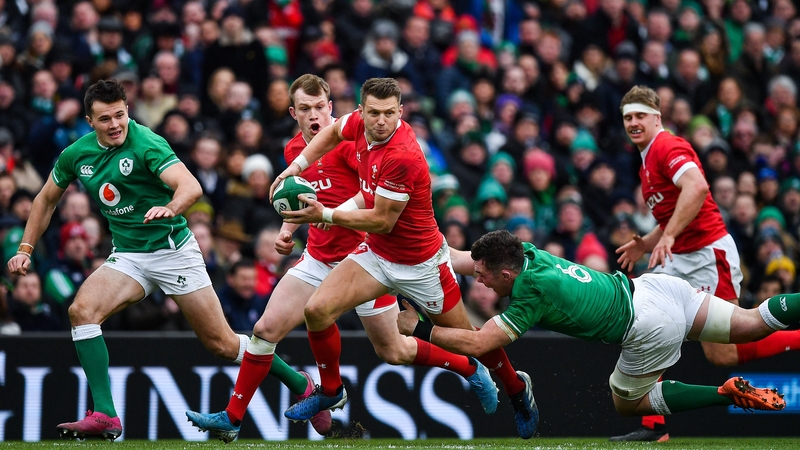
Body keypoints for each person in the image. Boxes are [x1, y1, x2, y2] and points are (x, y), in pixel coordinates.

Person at [185, 74, 498, 443]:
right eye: (305, 109)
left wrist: (330, 214)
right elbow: (298, 204)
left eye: (320, 107)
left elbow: (372, 199)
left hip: (364, 260)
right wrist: (287, 230)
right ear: (293, 113)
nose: (315, 115)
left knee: (393, 351)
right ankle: (234, 416)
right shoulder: (293, 154)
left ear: (331, 108)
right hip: (318, 256)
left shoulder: (354, 143)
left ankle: (469, 367)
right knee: (265, 330)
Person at [4, 80, 309, 441]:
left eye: (120, 114)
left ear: (128, 110)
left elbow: (190, 187)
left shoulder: (146, 142)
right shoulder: (76, 154)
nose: (116, 124)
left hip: (173, 252)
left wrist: (171, 207)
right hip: (130, 256)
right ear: (89, 121)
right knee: (81, 311)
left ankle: (300, 383)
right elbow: (45, 199)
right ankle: (105, 414)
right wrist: (25, 248)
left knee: (223, 344)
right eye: (105, 119)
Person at [271, 78, 537, 439]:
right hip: (377, 255)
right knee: (316, 311)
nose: (381, 122)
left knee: (471, 340)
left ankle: (517, 390)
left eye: (389, 114)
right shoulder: (356, 125)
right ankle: (331, 392)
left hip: (420, 263)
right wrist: (295, 168)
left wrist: (326, 214)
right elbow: (333, 134)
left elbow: (381, 219)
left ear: (400, 112)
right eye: (374, 113)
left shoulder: (403, 156)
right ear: (361, 111)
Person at [397, 230, 788, 431]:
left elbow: (480, 342)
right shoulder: (526, 253)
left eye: (484, 279)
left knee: (627, 403)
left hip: (648, 326)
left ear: (504, 273)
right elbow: (462, 259)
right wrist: (411, 244)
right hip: (655, 288)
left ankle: (723, 394)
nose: (479, 283)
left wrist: (419, 328)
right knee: (752, 324)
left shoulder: (531, 294)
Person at [613, 85, 800, 442]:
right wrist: (648, 242)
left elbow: (697, 188)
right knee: (650, 327)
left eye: (639, 116)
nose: (633, 123)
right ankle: (655, 428)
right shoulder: (647, 158)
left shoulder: (667, 146)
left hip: (706, 255)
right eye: (627, 117)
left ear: (657, 117)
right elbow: (673, 211)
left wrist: (666, 238)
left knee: (725, 352)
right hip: (679, 257)